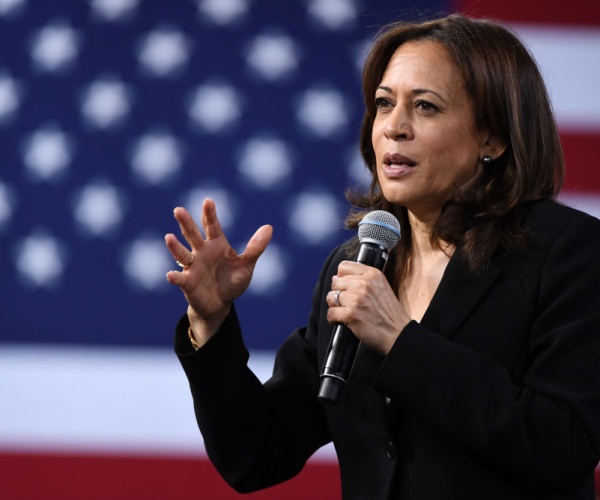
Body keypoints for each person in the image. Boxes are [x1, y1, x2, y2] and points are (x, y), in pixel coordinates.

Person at [164, 13, 600, 499]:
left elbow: (564, 446)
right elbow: (257, 454)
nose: (394, 127)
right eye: (384, 103)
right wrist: (213, 322)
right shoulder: (359, 263)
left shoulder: (569, 253)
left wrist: (400, 340)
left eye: (426, 107)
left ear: (491, 138)